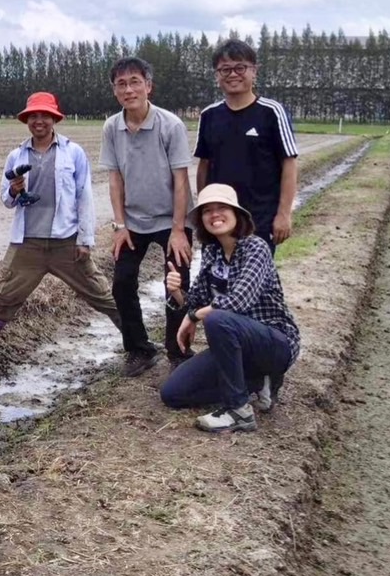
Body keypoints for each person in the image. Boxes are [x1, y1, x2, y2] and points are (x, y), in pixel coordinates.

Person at [0, 91, 120, 364]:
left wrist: (85, 239)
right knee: (1, 298)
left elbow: (84, 196)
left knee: (101, 294)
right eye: (34, 116)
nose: (39, 120)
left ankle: (137, 345)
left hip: (66, 242)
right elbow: (6, 200)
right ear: (27, 120)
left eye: (45, 115)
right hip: (26, 244)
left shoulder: (73, 153)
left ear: (54, 119)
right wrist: (14, 190)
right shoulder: (16, 156)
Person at [159, 184, 300, 433]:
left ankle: (239, 410)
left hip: (274, 343)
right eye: (207, 211)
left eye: (222, 208)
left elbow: (238, 302)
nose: (215, 215)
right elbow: (196, 302)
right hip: (236, 348)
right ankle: (256, 382)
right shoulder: (212, 253)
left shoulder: (255, 248)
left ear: (237, 215)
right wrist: (176, 293)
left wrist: (194, 317)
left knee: (218, 319)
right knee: (173, 393)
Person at [98, 56, 193, 375]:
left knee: (176, 285)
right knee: (122, 283)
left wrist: (179, 230)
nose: (128, 89)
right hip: (133, 222)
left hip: (171, 220)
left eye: (135, 82)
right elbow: (115, 178)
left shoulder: (171, 125)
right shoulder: (112, 127)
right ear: (114, 91)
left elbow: (181, 180)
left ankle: (178, 351)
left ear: (148, 86)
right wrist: (120, 225)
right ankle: (139, 349)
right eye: (121, 84)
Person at [194, 39, 299, 250]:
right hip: (219, 220)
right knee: (216, 279)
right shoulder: (209, 115)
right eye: (225, 70)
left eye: (240, 67)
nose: (233, 74)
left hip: (259, 220)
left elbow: (289, 164)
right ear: (217, 75)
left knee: (254, 280)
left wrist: (283, 214)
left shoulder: (271, 112)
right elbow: (204, 166)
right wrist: (204, 210)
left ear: (254, 71)